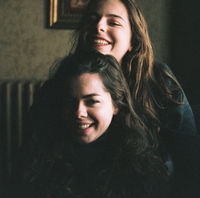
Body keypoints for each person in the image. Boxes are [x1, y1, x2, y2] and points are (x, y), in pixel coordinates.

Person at [70, 0, 200, 194]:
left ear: (133, 40)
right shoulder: (62, 83)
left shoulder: (159, 81)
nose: (99, 26)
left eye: (113, 22)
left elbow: (190, 157)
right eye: (92, 19)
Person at [11, 51, 170, 198]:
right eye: (70, 101)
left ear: (116, 105)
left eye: (92, 101)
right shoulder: (40, 154)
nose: (79, 112)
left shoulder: (140, 165)